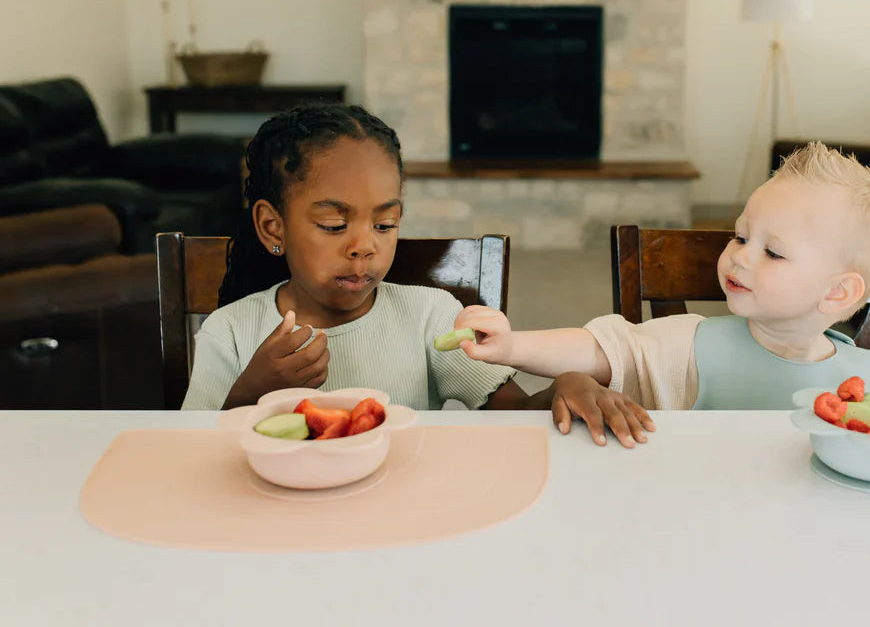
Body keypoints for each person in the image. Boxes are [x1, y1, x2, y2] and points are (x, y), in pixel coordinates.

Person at [182, 104, 653, 446]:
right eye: (333, 225)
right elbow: (188, 455)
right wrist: (251, 392)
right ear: (272, 226)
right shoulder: (231, 331)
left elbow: (510, 415)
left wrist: (562, 387)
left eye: (385, 224)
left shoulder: (428, 315)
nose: (365, 244)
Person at [455, 141, 870, 413]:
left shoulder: (868, 378)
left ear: (838, 292)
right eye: (740, 236)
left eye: (772, 251)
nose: (740, 257)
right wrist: (512, 346)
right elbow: (600, 349)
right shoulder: (688, 344)